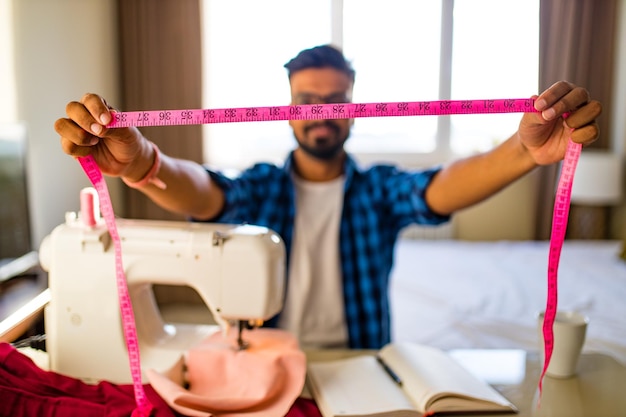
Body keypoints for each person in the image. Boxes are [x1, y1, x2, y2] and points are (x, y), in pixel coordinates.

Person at [54, 44, 602, 350]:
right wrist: (144, 161)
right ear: (287, 106)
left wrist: (524, 152)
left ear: (354, 106)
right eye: (306, 100)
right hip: (269, 360)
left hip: (364, 360)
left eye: (336, 99)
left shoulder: (378, 190)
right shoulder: (263, 186)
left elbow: (441, 188)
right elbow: (204, 192)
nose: (321, 112)